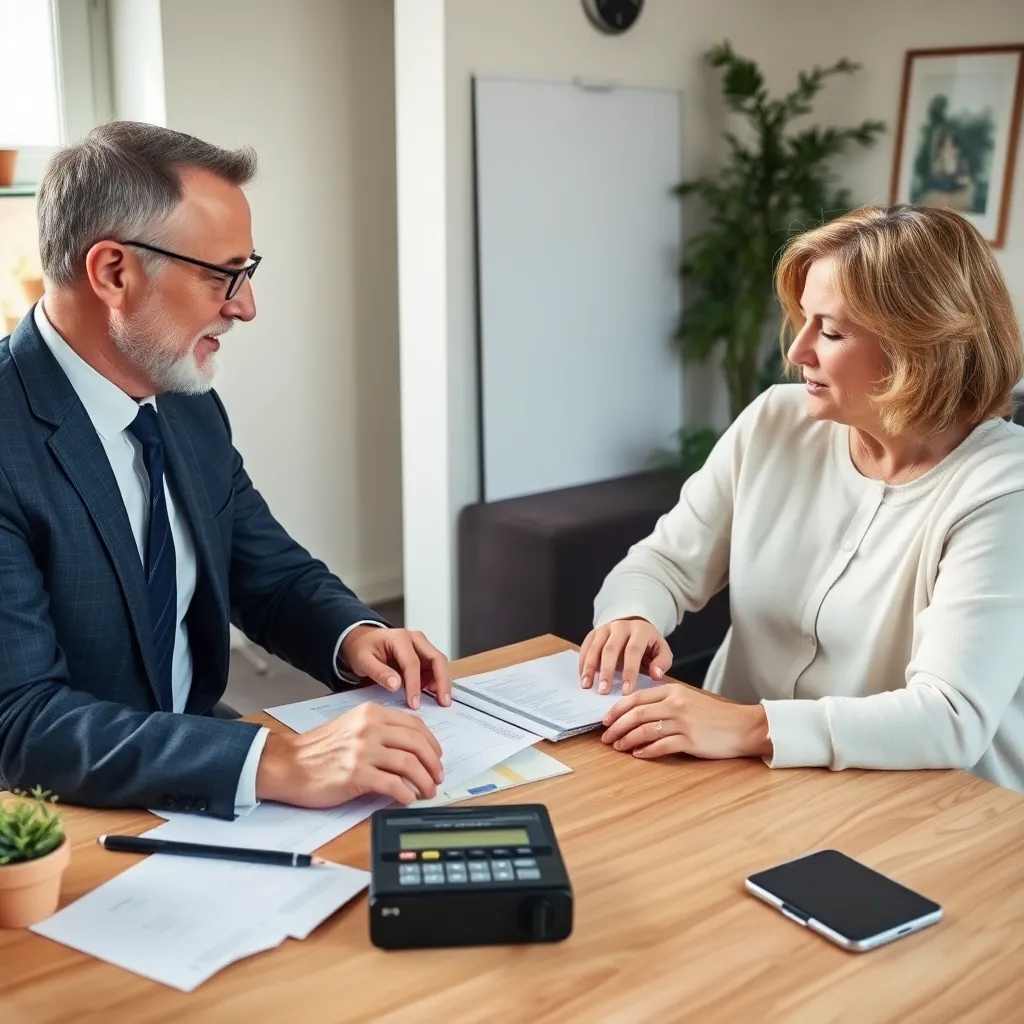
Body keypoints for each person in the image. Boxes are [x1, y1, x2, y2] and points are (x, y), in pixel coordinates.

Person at [0, 122, 451, 819]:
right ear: (113, 271)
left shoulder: (183, 400)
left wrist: (357, 636)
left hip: (207, 755)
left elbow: (267, 572)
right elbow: (24, 722)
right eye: (221, 276)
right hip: (60, 815)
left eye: (248, 272)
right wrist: (276, 760)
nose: (245, 306)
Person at [579, 204, 1024, 791]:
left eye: (833, 331)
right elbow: (662, 563)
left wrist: (749, 727)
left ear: (921, 350)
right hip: (744, 779)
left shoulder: (1001, 488)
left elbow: (950, 716)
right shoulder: (774, 421)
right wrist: (631, 617)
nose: (799, 351)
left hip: (928, 805)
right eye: (805, 319)